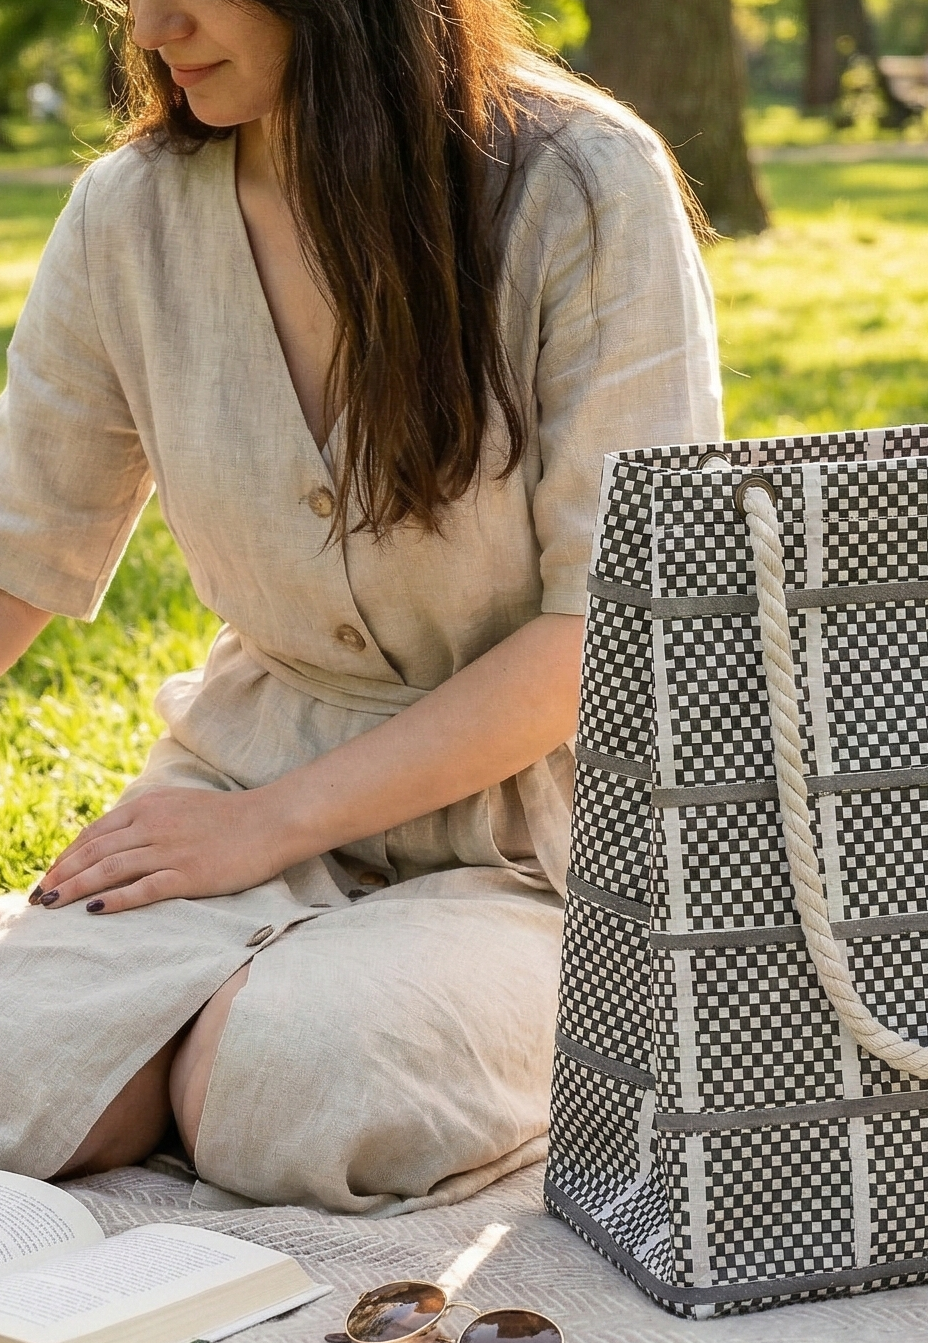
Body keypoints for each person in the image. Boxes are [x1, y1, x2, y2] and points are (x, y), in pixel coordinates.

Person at [0, 0, 721, 1212]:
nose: (153, 23)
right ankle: (215, 1031)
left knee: (282, 1086)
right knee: (22, 1079)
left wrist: (265, 833)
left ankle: (244, 1038)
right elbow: (17, 549)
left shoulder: (582, 187)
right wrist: (241, 829)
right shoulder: (128, 214)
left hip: (543, 839)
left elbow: (598, 632)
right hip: (241, 771)